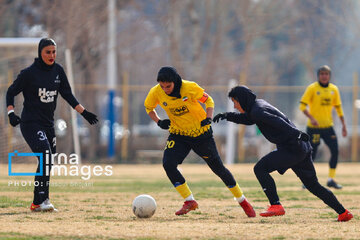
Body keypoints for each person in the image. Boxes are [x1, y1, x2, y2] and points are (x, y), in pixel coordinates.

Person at [213, 85, 353, 221]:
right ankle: (343, 212)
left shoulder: (257, 111)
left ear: (241, 99)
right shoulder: (257, 106)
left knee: (260, 169)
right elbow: (249, 119)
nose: (235, 106)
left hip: (292, 148)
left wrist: (297, 134)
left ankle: (276, 205)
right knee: (313, 186)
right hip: (301, 147)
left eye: (235, 102)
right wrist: (227, 116)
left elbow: (278, 122)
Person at [144, 66, 255, 217]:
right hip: (179, 134)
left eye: (168, 86)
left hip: (201, 135)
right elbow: (149, 107)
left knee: (219, 169)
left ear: (175, 82)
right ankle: (189, 201)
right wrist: (158, 122)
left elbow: (208, 101)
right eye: (162, 86)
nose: (165, 89)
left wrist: (208, 118)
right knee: (168, 164)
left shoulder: (190, 88)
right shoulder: (156, 92)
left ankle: (242, 201)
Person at [6, 38, 98, 212]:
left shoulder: (58, 71)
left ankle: (42, 200)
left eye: (54, 52)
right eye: (48, 52)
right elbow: (10, 92)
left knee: (48, 161)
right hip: (31, 123)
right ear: (40, 53)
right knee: (45, 155)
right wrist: (11, 113)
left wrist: (84, 113)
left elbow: (68, 95)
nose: (51, 55)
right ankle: (38, 201)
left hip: (48, 124)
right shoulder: (29, 73)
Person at [299, 65, 346, 189]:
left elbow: (338, 107)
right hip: (313, 128)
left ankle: (331, 179)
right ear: (318, 75)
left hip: (328, 127)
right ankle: (307, 180)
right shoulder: (312, 88)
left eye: (326, 74)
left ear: (329, 76)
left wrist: (343, 125)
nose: (324, 76)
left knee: (335, 151)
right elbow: (302, 106)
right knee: (311, 154)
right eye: (322, 74)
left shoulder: (334, 89)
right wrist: (312, 118)